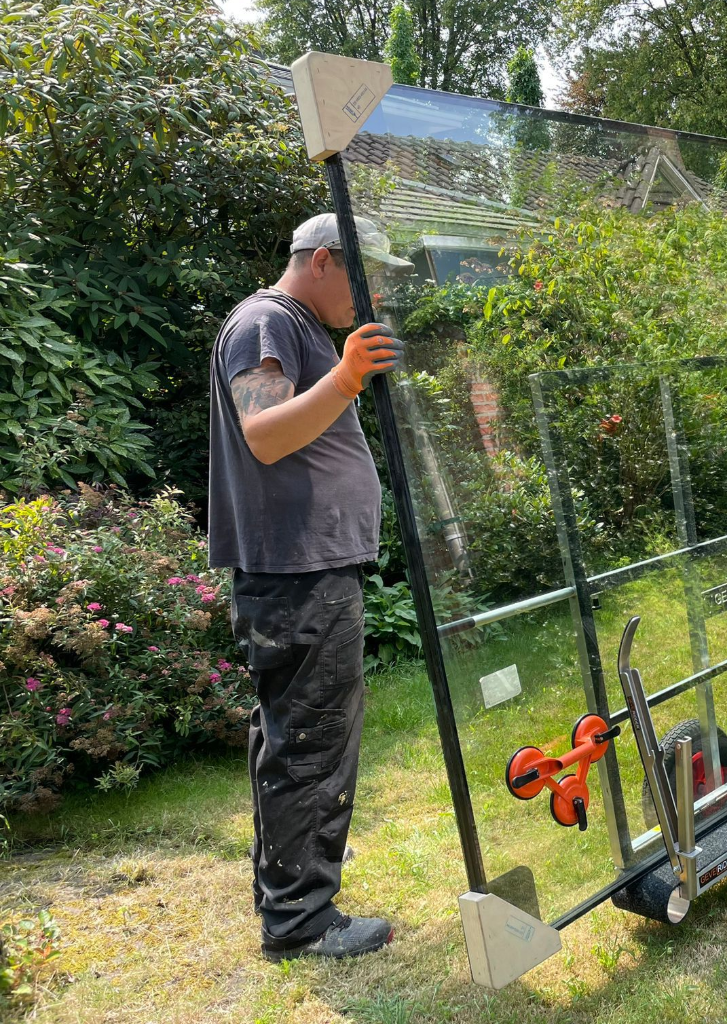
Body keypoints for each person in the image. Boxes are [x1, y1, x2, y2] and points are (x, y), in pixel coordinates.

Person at [208, 212, 410, 961]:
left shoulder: (295, 327)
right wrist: (349, 376)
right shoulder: (265, 320)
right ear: (323, 260)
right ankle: (300, 921)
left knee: (294, 739)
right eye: (366, 275)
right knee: (311, 743)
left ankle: (290, 889)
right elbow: (265, 434)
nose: (373, 294)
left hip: (306, 570)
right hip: (298, 574)